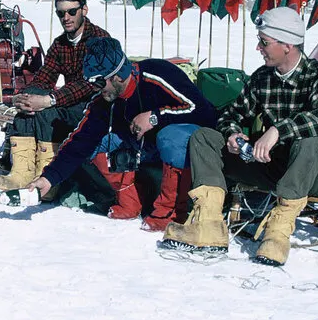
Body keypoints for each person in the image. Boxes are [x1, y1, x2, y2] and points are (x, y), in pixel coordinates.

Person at [160, 7, 318, 266]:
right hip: (273, 167)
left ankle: (277, 235)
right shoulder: (262, 77)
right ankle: (208, 225)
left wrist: (278, 130)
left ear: (287, 44)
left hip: (317, 173)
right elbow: (231, 114)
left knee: (310, 142)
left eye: (264, 42)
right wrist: (233, 134)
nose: (258, 48)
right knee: (204, 137)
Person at [26, 37, 216, 230]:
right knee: (100, 142)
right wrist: (49, 177)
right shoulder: (107, 99)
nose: (95, 89)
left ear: (117, 76)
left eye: (99, 83)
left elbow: (204, 111)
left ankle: (172, 212)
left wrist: (154, 117)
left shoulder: (157, 74)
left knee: (169, 136)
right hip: (147, 147)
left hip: (187, 144)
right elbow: (81, 139)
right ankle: (129, 201)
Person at [0, 0, 109, 192]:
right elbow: (45, 76)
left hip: (97, 107)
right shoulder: (60, 44)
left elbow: (92, 84)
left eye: (72, 11)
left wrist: (49, 100)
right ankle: (22, 174)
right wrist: (25, 97)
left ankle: (48, 177)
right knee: (27, 108)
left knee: (48, 112)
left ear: (84, 10)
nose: (66, 17)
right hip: (71, 100)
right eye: (61, 13)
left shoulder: (99, 40)